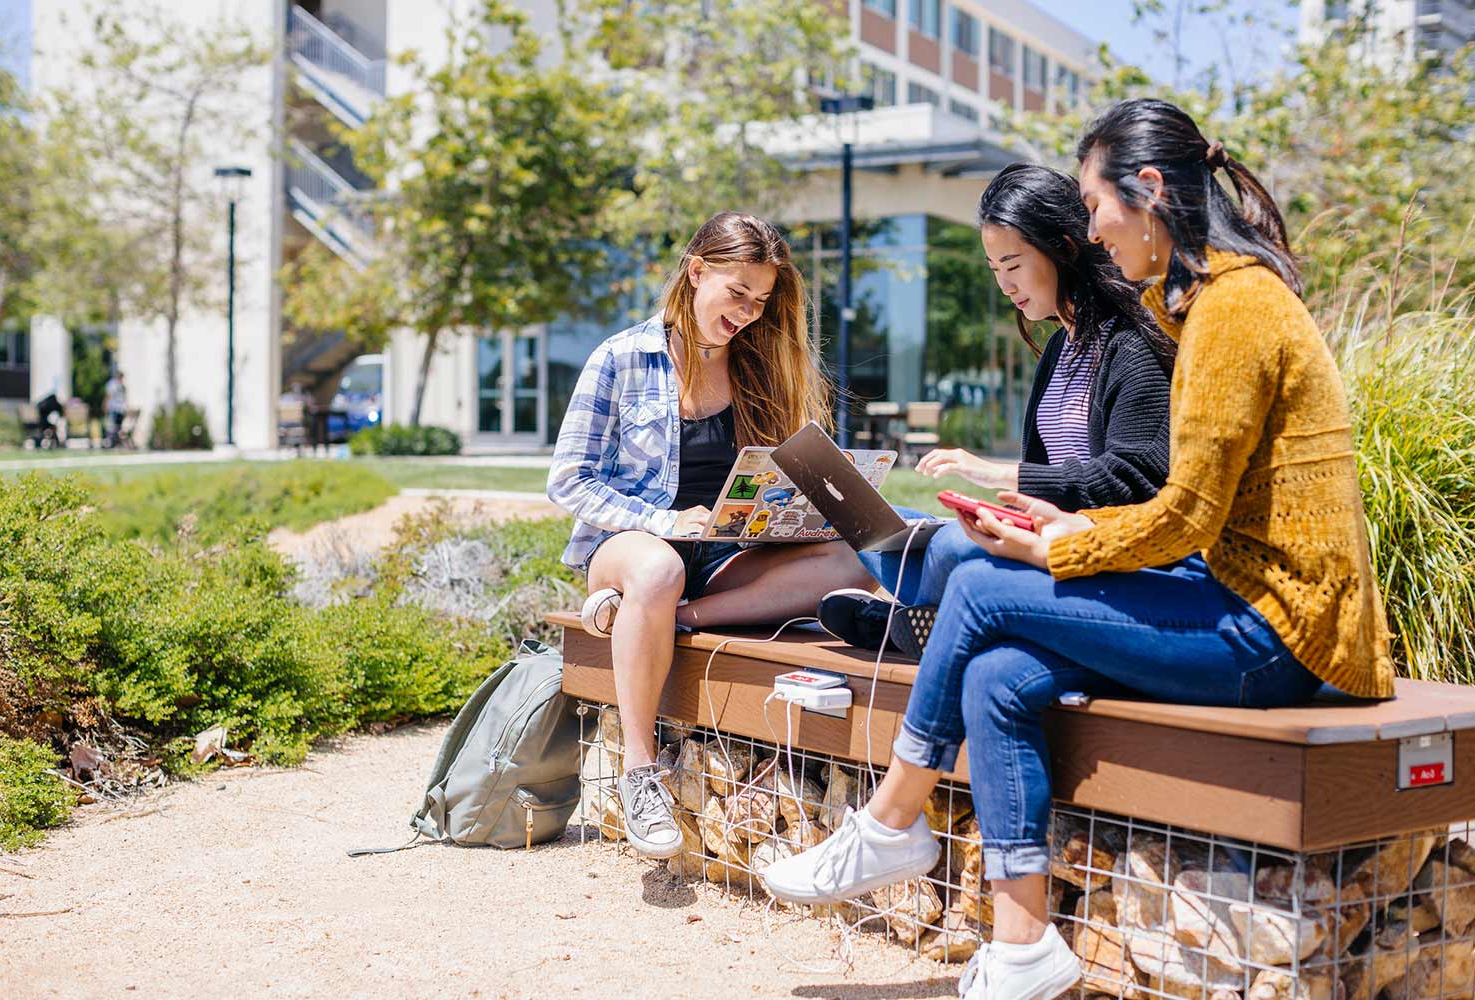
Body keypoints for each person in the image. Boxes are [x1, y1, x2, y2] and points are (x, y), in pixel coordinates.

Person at [762, 99, 1395, 1000]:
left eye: (1095, 207)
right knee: (994, 673)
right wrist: (1055, 532)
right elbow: (1186, 514)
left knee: (979, 586)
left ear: (1148, 191)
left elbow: (1182, 518)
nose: (1094, 231)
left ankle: (893, 820)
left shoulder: (1233, 308)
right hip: (1234, 606)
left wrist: (1046, 548)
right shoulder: (1211, 303)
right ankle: (1026, 949)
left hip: (1275, 631)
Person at [546, 211, 875, 860]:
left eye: (761, 300)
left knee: (849, 561)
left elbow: (798, 471)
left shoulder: (762, 367)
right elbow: (569, 482)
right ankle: (642, 775)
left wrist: (854, 507)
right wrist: (666, 524)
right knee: (659, 573)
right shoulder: (621, 358)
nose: (749, 312)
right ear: (697, 272)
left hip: (722, 557)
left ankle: (665, 619)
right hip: (632, 547)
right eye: (737, 293)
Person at [818, 163, 1174, 657]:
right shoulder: (1059, 349)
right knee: (879, 519)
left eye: (1013, 264)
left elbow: (1137, 480)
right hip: (1036, 534)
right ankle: (925, 619)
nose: (1004, 285)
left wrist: (1001, 475)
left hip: (1090, 546)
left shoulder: (1130, 344)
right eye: (994, 270)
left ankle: (907, 624)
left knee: (948, 549)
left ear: (1064, 248)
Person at [103, 371, 127, 448]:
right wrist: (105, 405)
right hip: (114, 408)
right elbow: (108, 395)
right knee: (113, 426)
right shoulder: (112, 384)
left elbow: (123, 398)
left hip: (120, 409)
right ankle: (112, 442)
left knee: (118, 427)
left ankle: (116, 442)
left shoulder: (122, 385)